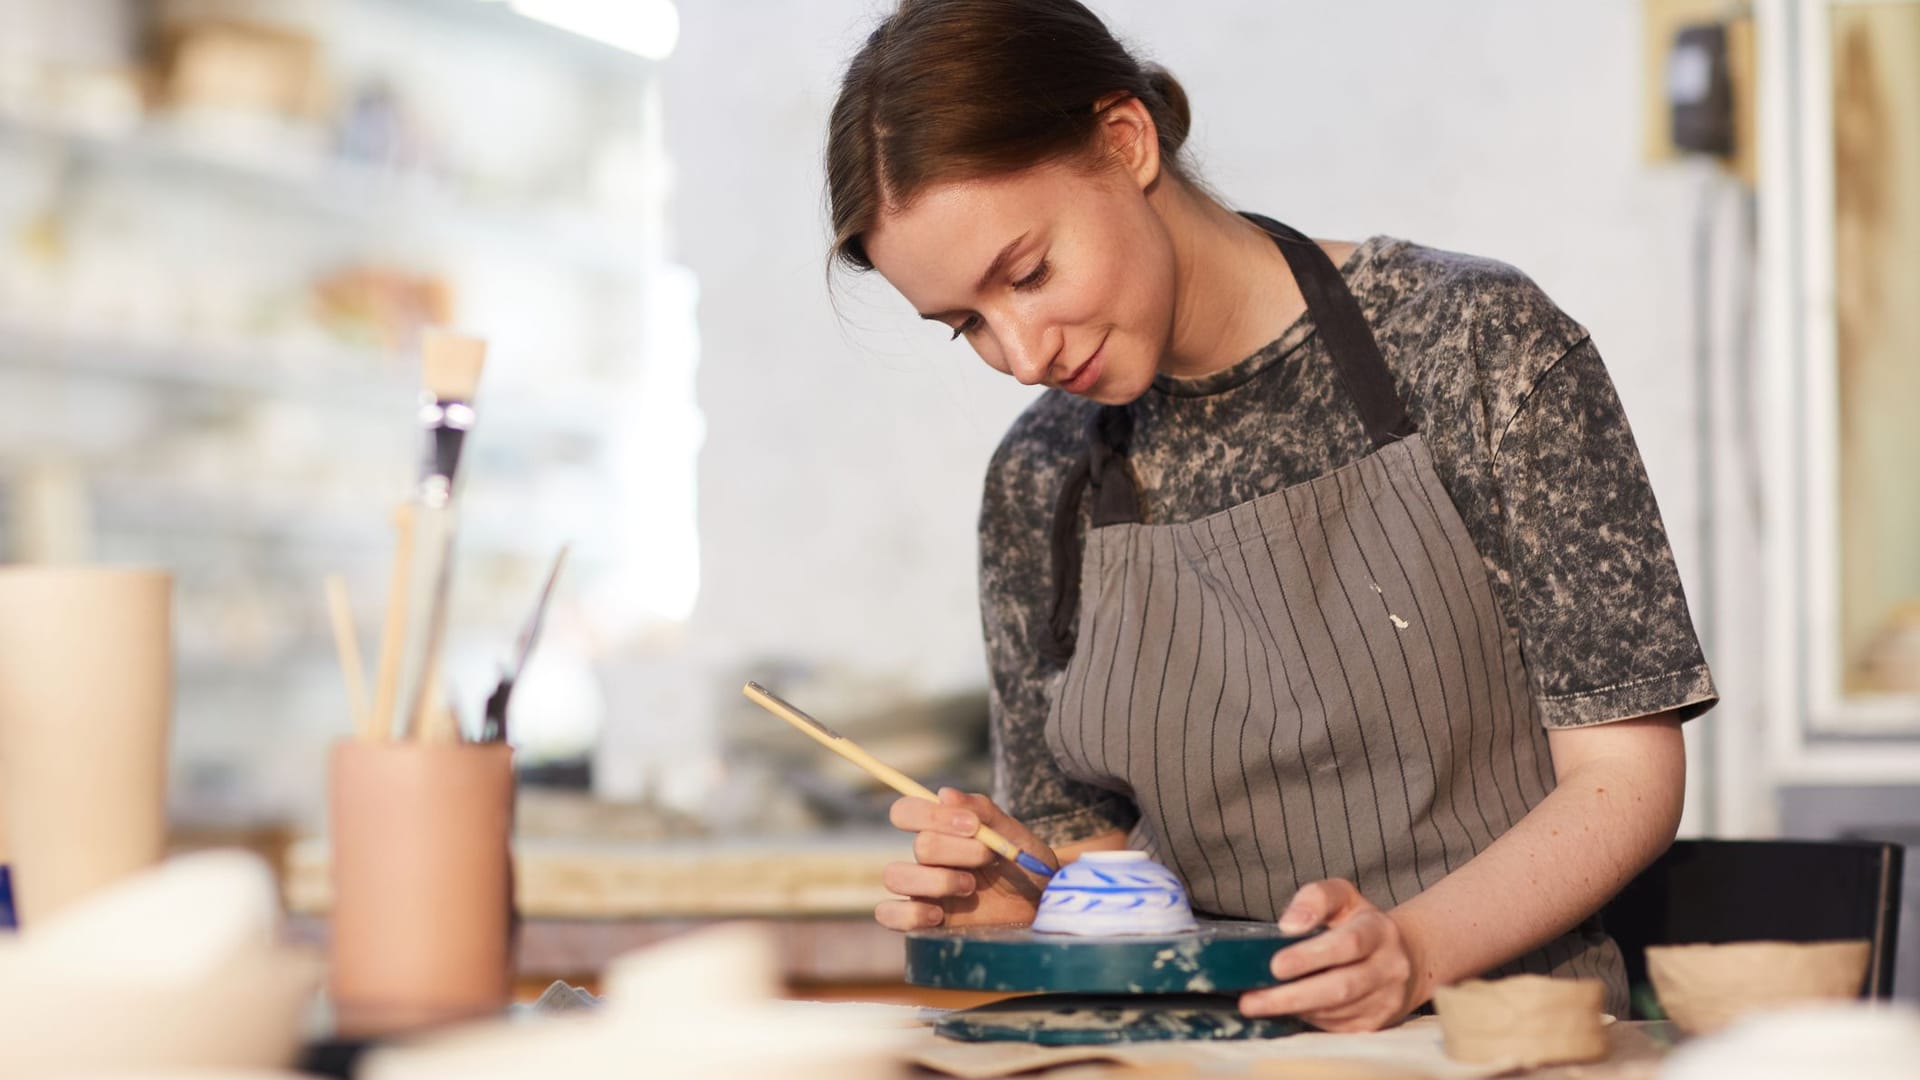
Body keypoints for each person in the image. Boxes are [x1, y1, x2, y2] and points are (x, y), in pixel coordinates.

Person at [824, 0, 1716, 1033]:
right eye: (967, 324)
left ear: (1126, 141)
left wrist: (1413, 950)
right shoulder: (1040, 478)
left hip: (1494, 1036)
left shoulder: (1473, 345)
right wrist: (1022, 903)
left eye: (1028, 274)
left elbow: (1627, 780)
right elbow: (1096, 871)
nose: (1024, 355)